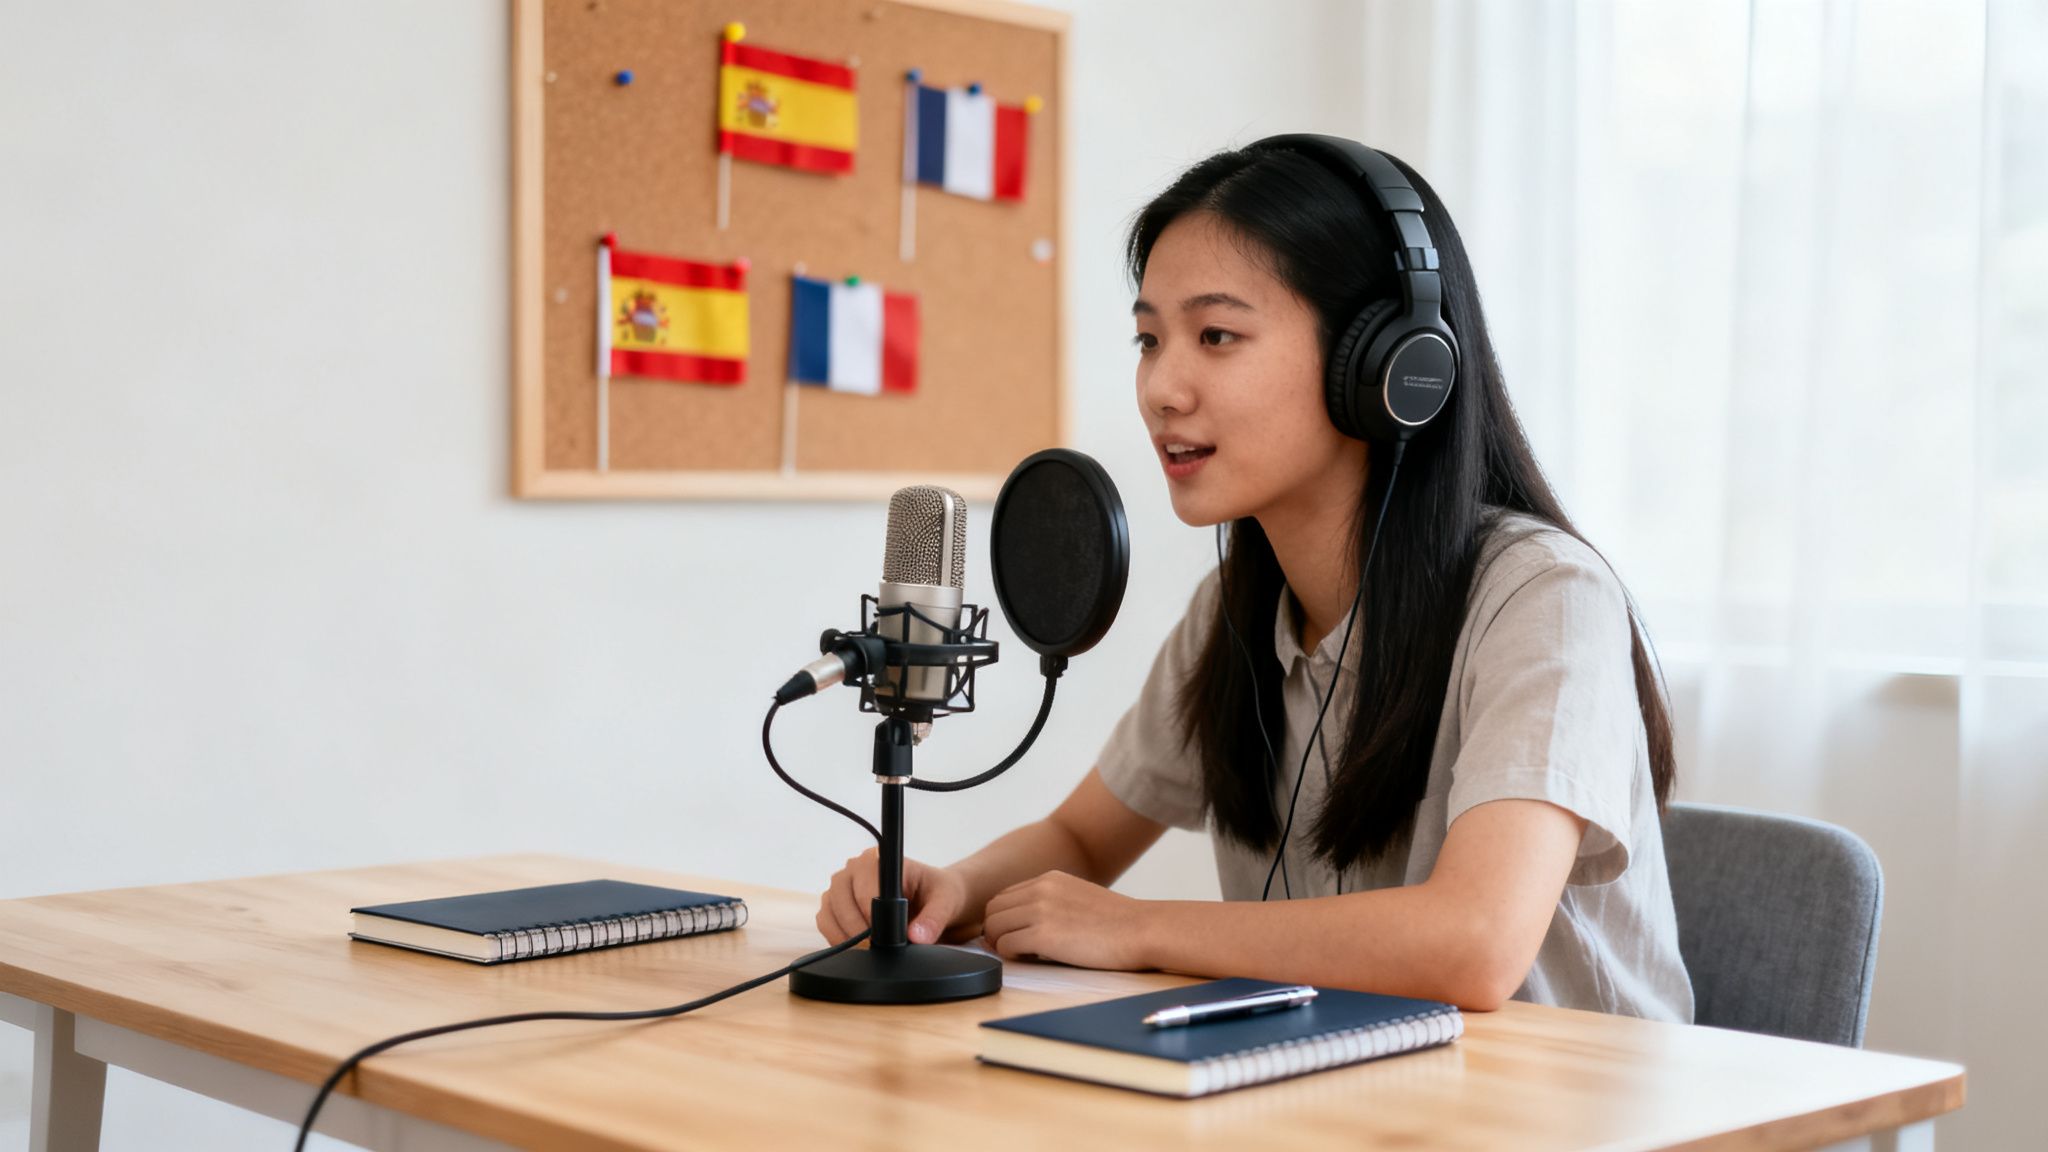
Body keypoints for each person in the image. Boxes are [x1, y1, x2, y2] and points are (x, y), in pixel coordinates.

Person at [815, 137, 1692, 1020]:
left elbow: (1473, 945)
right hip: (1344, 1090)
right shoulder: (1236, 608)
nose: (1161, 386)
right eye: (1149, 339)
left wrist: (1144, 929)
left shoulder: (1541, 597)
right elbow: (1081, 836)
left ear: (1386, 366)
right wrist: (948, 895)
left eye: (1217, 335)